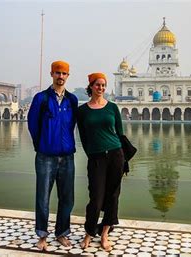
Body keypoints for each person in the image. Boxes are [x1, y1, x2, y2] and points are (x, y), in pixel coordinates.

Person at [27, 60, 78, 250]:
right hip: (45, 156)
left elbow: (71, 124)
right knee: (43, 198)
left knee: (67, 197)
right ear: (51, 74)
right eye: (58, 73)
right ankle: (42, 235)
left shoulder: (71, 100)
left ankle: (61, 233)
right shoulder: (41, 98)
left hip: (67, 156)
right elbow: (32, 124)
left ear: (68, 76)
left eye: (64, 73)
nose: (61, 76)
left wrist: (65, 142)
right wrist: (41, 145)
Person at [77, 73, 125, 251]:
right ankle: (89, 233)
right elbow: (82, 135)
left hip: (115, 154)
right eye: (98, 85)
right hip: (96, 157)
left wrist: (123, 158)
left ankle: (104, 234)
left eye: (104, 85)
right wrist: (91, 153)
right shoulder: (82, 111)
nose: (101, 88)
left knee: (113, 196)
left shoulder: (112, 107)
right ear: (91, 86)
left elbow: (120, 133)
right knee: (96, 198)